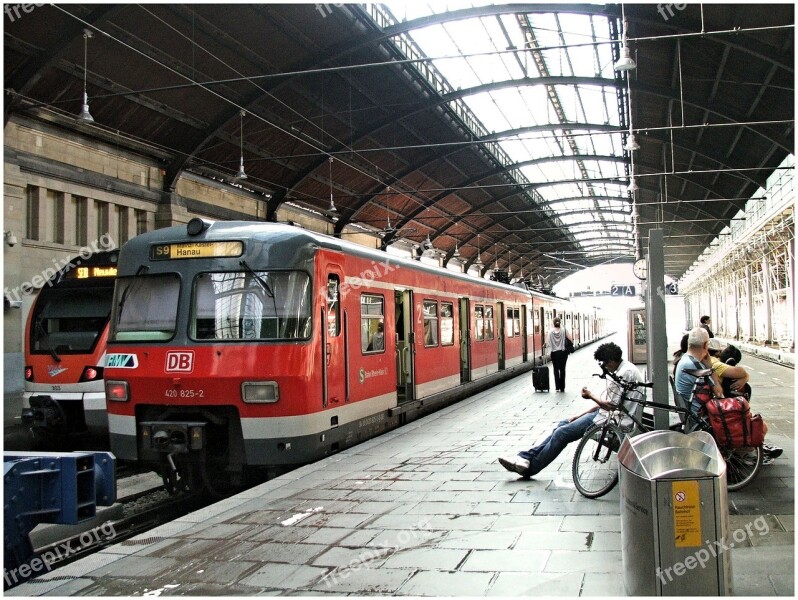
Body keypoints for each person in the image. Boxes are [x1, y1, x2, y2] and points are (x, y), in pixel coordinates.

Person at [498, 342, 643, 478]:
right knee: (563, 423)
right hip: (608, 415)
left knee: (562, 433)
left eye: (604, 364)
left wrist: (590, 395)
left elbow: (609, 405)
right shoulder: (624, 368)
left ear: (611, 361)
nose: (604, 368)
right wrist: (578, 415)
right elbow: (606, 404)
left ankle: (530, 468)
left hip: (613, 419)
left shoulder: (625, 373)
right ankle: (525, 457)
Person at [547, 318, 572, 392]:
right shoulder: (564, 330)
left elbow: (547, 343)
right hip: (563, 352)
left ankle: (557, 387)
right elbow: (570, 339)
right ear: (560, 323)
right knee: (562, 369)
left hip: (554, 353)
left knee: (555, 369)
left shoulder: (550, 332)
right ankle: (562, 387)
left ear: (553, 323)